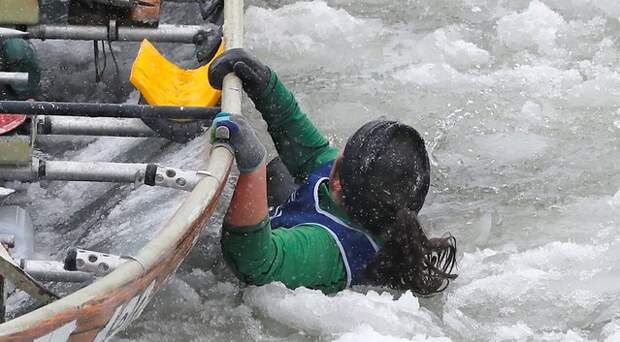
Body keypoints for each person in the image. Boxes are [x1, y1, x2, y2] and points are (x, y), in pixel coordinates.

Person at [208, 49, 457, 295]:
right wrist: (264, 84)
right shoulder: (364, 194)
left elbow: (254, 263)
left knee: (265, 174)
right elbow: (307, 148)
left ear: (337, 181)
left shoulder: (327, 248)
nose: (335, 153)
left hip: (271, 268)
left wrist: (252, 166)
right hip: (307, 226)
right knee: (280, 170)